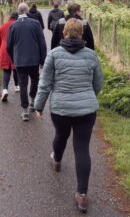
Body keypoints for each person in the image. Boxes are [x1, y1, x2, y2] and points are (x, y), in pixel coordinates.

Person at [34, 18, 104, 213]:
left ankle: (56, 159)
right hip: (87, 111)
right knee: (82, 149)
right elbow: (99, 82)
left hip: (61, 110)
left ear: (64, 33)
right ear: (82, 33)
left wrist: (38, 105)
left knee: (60, 136)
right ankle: (82, 195)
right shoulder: (91, 55)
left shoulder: (54, 55)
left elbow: (45, 83)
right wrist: (89, 97)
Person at [7, 3, 47, 122]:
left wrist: (14, 58)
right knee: (35, 79)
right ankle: (33, 101)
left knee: (22, 84)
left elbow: (8, 46)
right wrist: (42, 60)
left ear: (19, 12)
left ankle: (25, 112)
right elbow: (42, 44)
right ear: (27, 11)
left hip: (19, 61)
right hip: (33, 60)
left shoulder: (13, 26)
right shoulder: (35, 24)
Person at [0, 12, 20, 102]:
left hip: (4, 50)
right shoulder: (17, 25)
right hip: (14, 49)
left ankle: (5, 89)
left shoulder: (2, 26)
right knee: (15, 68)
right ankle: (17, 86)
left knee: (6, 70)